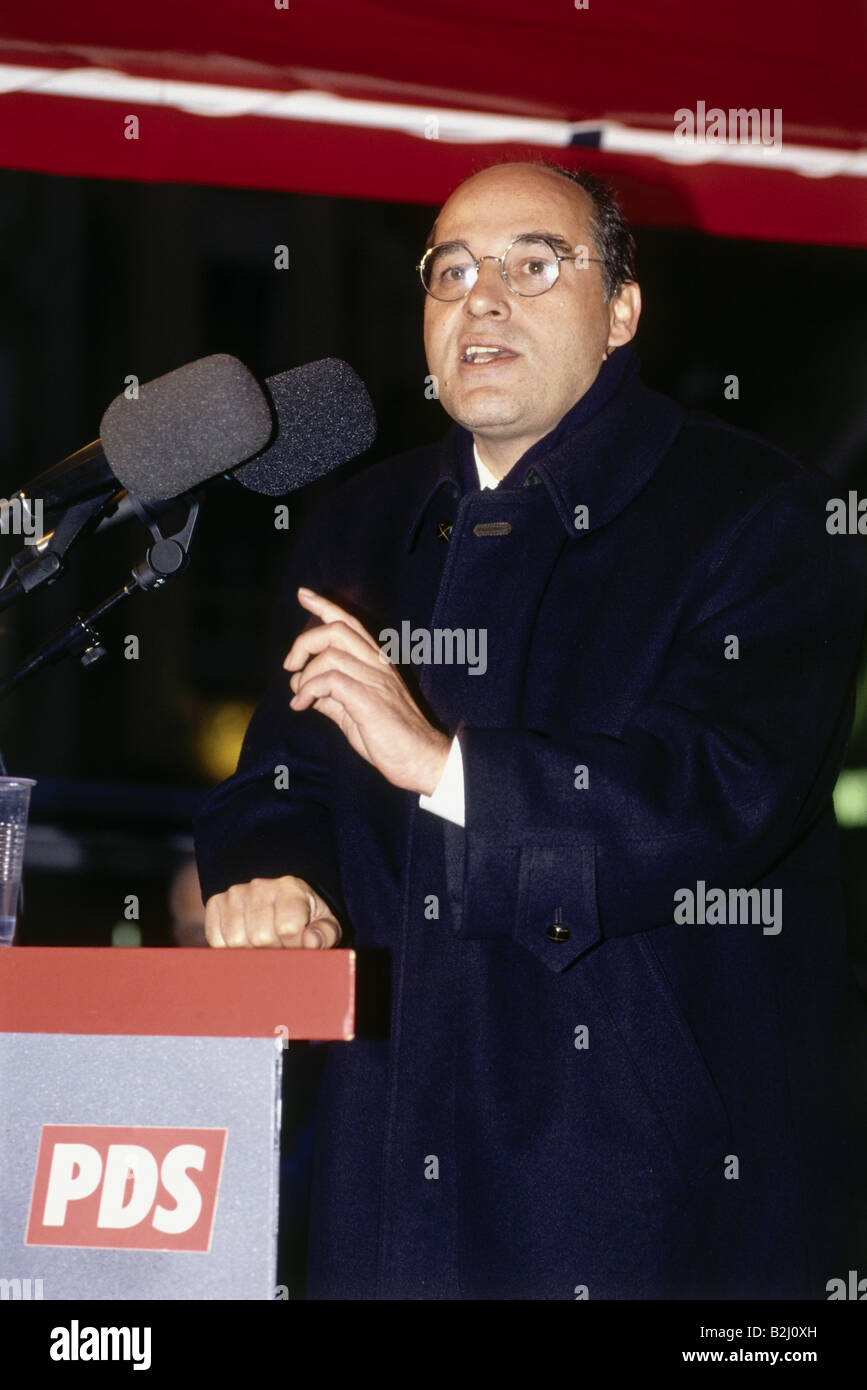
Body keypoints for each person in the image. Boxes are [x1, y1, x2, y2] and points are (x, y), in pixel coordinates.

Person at [194, 161, 867, 1300]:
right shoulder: (363, 526)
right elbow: (283, 771)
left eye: (533, 263)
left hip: (639, 1195)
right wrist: (275, 875)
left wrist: (445, 768)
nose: (482, 298)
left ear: (623, 312)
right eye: (449, 271)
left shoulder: (760, 516)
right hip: (381, 1176)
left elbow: (714, 792)